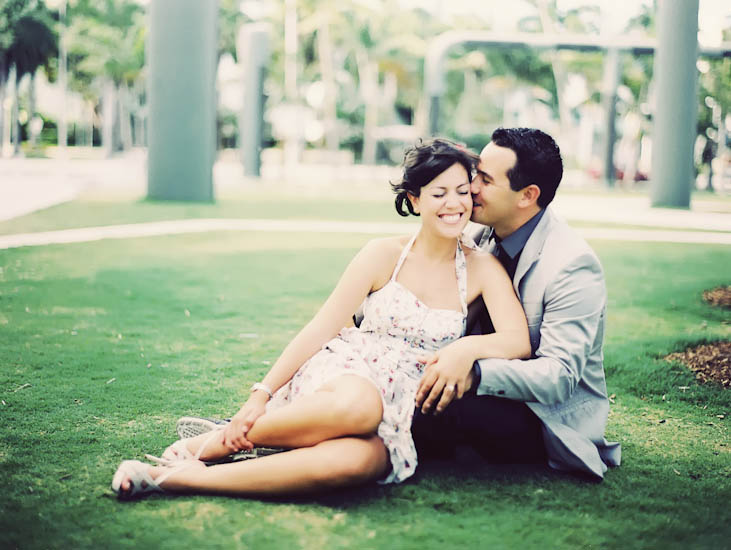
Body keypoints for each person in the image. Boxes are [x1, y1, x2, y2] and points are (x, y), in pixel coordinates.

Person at [112, 138, 532, 499]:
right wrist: (259, 395)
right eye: (439, 193)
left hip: (400, 403)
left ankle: (178, 480)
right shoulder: (382, 253)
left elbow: (518, 339)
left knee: (357, 462)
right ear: (415, 199)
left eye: (462, 192)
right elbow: (322, 325)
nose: (454, 204)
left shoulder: (481, 268)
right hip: (349, 373)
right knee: (360, 406)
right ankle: (220, 440)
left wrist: (466, 347)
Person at [412, 127, 621, 479]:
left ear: (527, 196)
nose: (471, 187)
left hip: (542, 418)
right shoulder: (478, 233)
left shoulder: (572, 265)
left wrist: (474, 370)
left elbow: (559, 378)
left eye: (486, 180)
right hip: (480, 390)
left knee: (429, 405)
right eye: (475, 172)